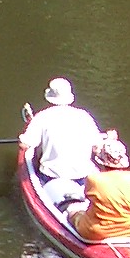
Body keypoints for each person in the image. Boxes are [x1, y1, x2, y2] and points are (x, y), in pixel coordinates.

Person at [18, 78, 101, 211]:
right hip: (82, 176)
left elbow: (24, 145)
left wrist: (22, 139)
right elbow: (97, 147)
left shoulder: (42, 117)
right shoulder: (84, 116)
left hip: (51, 176)